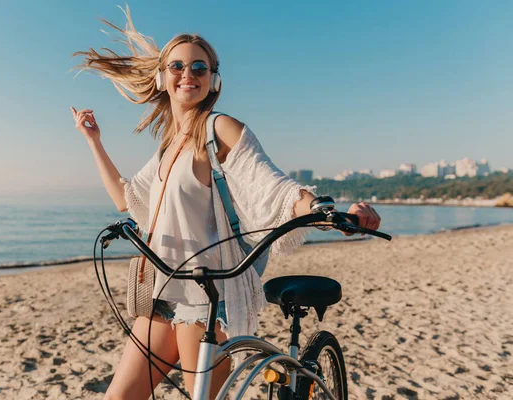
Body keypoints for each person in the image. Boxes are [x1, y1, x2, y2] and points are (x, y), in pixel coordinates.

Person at [71, 8, 381, 400]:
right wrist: (93, 141)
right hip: (163, 293)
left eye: (199, 67)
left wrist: (324, 210)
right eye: (178, 66)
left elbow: (272, 185)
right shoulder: (168, 147)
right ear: (162, 77)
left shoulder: (220, 128)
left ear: (213, 79)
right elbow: (126, 198)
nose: (188, 74)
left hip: (206, 300)